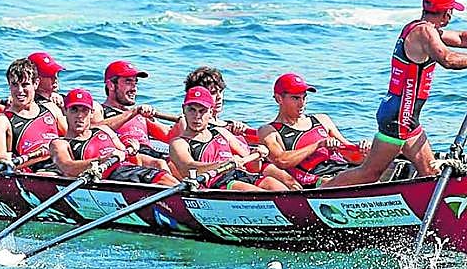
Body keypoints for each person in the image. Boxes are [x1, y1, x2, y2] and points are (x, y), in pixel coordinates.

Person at [324, 0, 467, 186]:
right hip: (400, 117)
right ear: (447, 13)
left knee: (429, 171)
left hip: (403, 115)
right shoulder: (424, 33)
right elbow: (448, 60)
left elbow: (460, 38)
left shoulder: (421, 28)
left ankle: (441, 209)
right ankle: (319, 194)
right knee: (369, 174)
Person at [168, 86, 297, 191]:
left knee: (274, 185)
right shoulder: (179, 143)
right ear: (183, 110)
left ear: (211, 112)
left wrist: (256, 154)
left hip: (240, 175)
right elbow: (188, 168)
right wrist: (225, 163)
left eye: (202, 111)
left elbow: (253, 167)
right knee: (256, 193)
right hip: (216, 184)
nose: (197, 116)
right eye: (191, 110)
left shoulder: (222, 132)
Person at [257, 73, 365, 187]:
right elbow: (281, 160)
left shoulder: (322, 119)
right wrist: (318, 145)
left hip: (344, 170)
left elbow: (352, 154)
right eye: (295, 98)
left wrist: (364, 151)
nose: (302, 103)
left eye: (304, 97)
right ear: (279, 99)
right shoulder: (269, 131)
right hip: (319, 179)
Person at [51, 88, 177, 184]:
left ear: (91, 114)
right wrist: (102, 160)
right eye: (74, 110)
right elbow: (67, 167)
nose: (79, 116)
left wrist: (132, 151)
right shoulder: (60, 143)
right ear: (65, 112)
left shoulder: (104, 130)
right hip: (105, 179)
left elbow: (132, 160)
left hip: (127, 172)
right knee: (163, 180)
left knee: (163, 170)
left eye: (84, 111)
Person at [93, 60, 172, 171]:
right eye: (128, 82)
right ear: (111, 85)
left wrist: (187, 120)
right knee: (160, 164)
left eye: (135, 83)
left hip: (151, 153)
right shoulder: (99, 109)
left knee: (176, 163)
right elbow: (95, 131)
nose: (134, 88)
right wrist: (132, 112)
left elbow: (170, 136)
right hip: (128, 156)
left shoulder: (140, 115)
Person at [0, 57, 66, 163]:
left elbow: (71, 139)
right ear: (9, 85)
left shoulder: (51, 108)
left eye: (25, 84)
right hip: (35, 171)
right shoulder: (1, 121)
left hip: (62, 164)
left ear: (36, 84)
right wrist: (42, 155)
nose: (20, 91)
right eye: (15, 85)